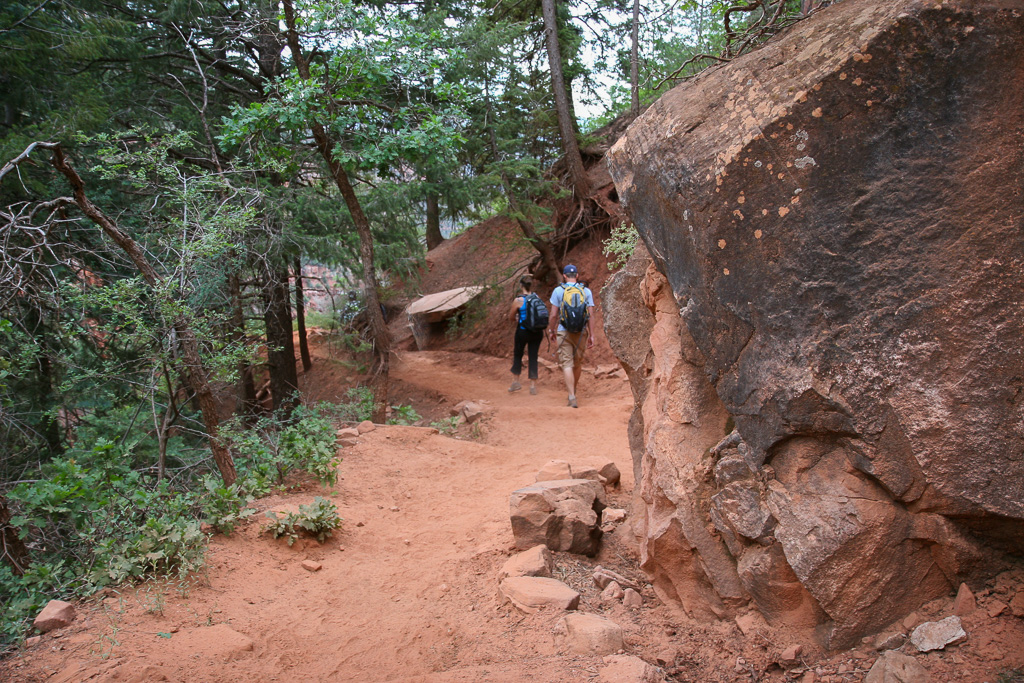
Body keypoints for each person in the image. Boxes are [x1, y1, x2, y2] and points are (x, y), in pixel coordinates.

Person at [548, 264, 594, 408]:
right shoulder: (586, 291)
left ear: (565, 276)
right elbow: (591, 315)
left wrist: (551, 330)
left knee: (567, 364)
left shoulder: (558, 291)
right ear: (577, 276)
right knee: (577, 363)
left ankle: (571, 396)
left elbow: (554, 314)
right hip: (581, 332)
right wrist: (592, 335)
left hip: (563, 330)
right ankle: (574, 390)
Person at [509, 276, 544, 394]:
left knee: (518, 354)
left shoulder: (518, 300)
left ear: (521, 286)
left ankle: (515, 382)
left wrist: (519, 318)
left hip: (523, 331)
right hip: (537, 332)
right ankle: (533, 386)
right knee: (533, 356)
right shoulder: (537, 298)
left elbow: (511, 317)